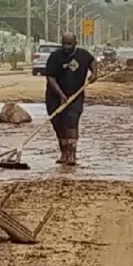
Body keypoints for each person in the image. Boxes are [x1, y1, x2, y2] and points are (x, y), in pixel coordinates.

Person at [44, 32, 98, 166]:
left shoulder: (83, 55)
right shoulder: (55, 57)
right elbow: (50, 77)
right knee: (58, 124)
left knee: (71, 123)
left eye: (69, 44)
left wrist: (94, 73)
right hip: (54, 97)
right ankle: (63, 154)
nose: (66, 46)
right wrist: (61, 95)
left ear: (75, 43)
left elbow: (92, 61)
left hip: (75, 96)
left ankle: (72, 155)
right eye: (64, 43)